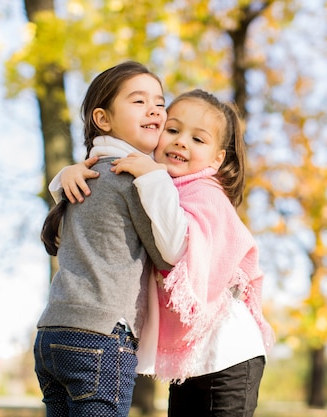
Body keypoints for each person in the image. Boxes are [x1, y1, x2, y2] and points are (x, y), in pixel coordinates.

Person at [60, 89, 275, 417]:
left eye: (198, 140)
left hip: (229, 353)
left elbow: (178, 248)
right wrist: (66, 177)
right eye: (172, 131)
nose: (181, 142)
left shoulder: (206, 195)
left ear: (217, 158)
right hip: (192, 357)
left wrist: (153, 176)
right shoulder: (155, 184)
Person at [35, 61, 172, 417]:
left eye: (159, 101)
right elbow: (168, 255)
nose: (155, 109)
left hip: (51, 333)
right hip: (101, 337)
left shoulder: (80, 177)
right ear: (103, 119)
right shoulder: (133, 178)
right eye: (139, 101)